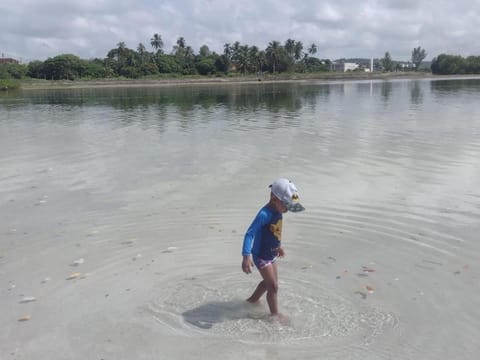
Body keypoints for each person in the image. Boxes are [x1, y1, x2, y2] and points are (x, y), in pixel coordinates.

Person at [241, 178, 305, 318]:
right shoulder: (264, 214)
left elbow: (272, 232)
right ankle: (275, 316)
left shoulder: (278, 210)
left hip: (271, 254)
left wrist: (278, 246)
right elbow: (250, 234)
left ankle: (252, 301)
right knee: (273, 287)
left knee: (270, 283)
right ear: (274, 198)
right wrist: (246, 255)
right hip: (261, 256)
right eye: (286, 205)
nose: (287, 209)